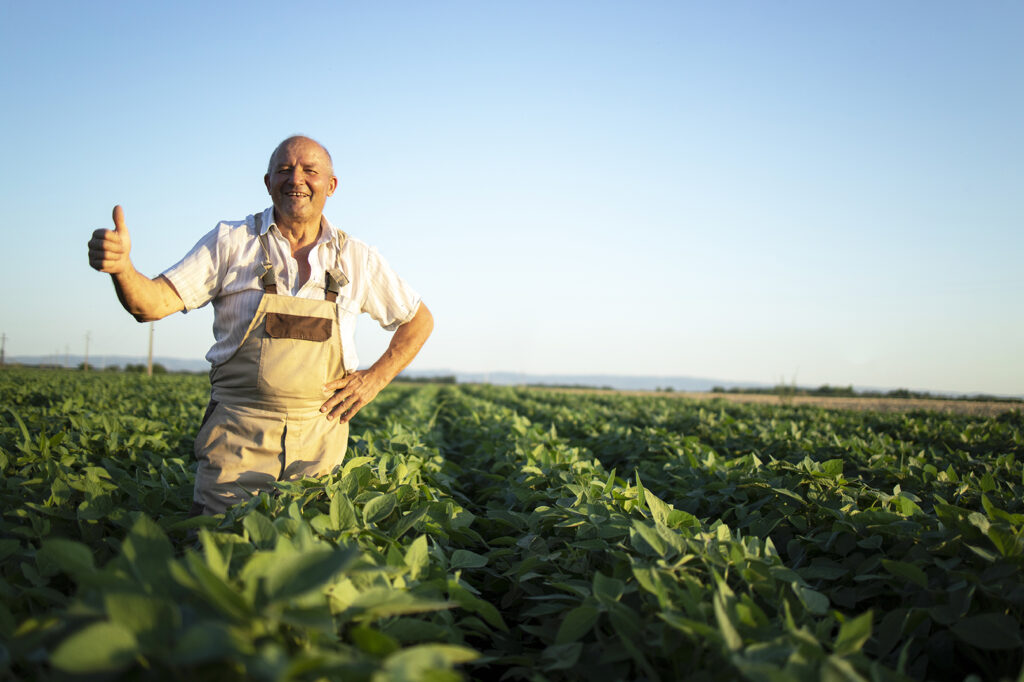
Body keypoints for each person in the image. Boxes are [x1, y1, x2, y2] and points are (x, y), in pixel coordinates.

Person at [88, 135, 434, 515]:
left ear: (331, 185)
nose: (296, 179)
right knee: (219, 558)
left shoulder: (356, 257)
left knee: (308, 563)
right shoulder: (231, 242)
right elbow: (149, 304)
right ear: (268, 183)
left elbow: (418, 320)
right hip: (236, 448)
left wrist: (376, 378)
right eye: (284, 170)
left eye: (310, 171)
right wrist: (122, 269)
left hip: (320, 452)